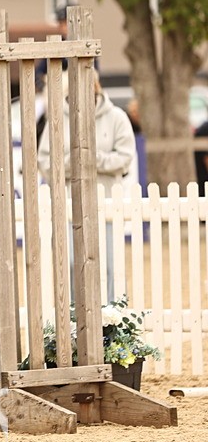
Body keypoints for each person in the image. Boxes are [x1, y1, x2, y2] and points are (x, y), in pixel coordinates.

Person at [38, 70, 134, 296]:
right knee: (71, 264)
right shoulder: (57, 120)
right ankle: (73, 318)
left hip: (108, 203)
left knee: (111, 265)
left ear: (96, 86)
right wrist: (74, 161)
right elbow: (44, 161)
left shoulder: (117, 117)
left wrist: (94, 159)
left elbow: (125, 157)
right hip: (70, 205)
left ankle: (113, 321)